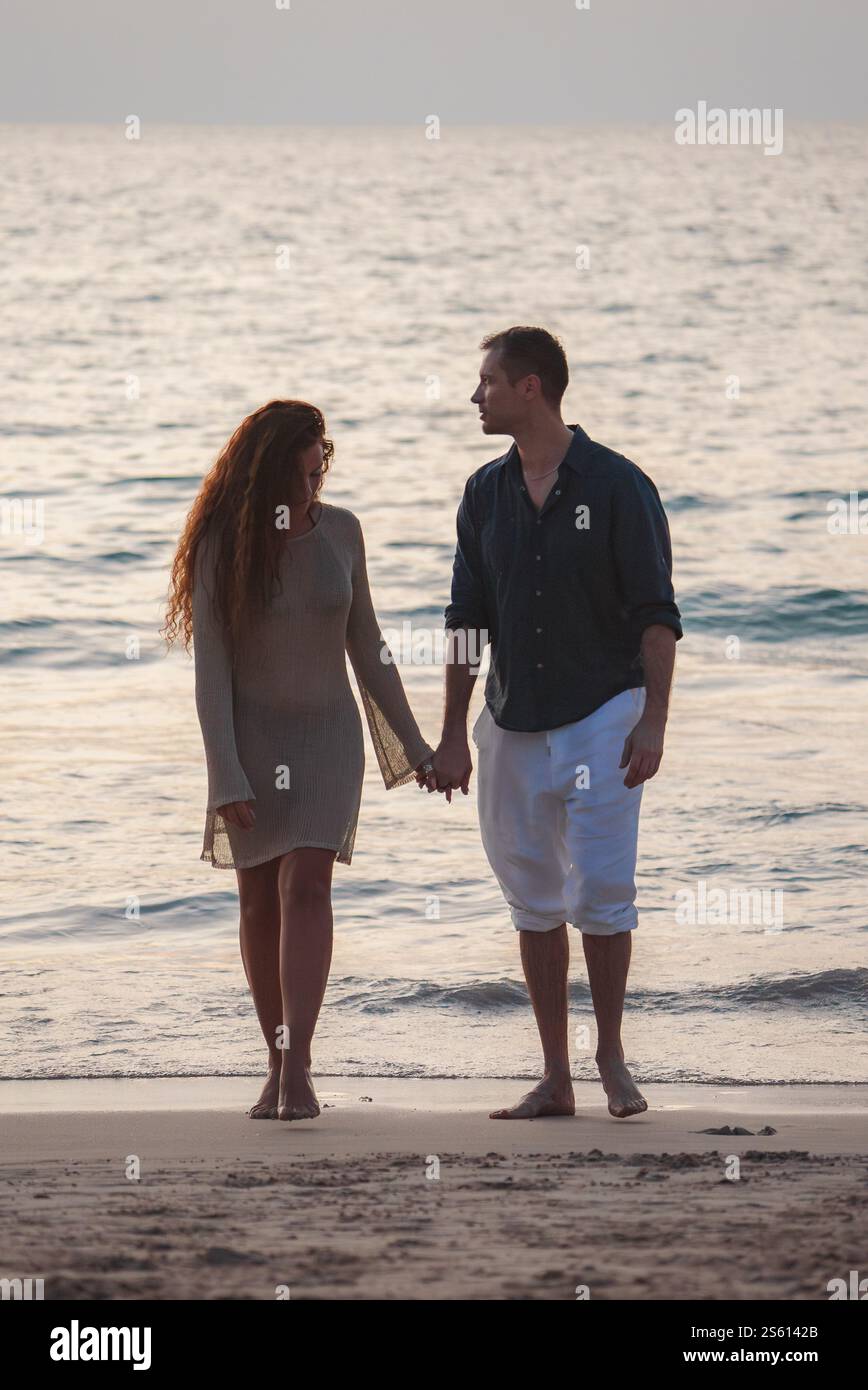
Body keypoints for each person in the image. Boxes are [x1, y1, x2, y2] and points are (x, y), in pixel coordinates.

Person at [432, 328, 682, 1120]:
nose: (476, 398)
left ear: (531, 387)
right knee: (532, 902)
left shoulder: (617, 486)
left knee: (603, 895)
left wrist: (654, 723)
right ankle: (554, 1076)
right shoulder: (484, 493)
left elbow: (656, 617)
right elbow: (467, 620)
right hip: (509, 721)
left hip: (604, 715)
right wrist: (449, 733)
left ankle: (610, 1057)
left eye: (488, 383)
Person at [164, 400, 435, 1121]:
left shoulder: (344, 532)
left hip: (327, 740)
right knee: (257, 901)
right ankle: (276, 1059)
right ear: (276, 461)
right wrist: (224, 771)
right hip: (251, 742)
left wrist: (415, 746)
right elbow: (211, 671)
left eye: (324, 457)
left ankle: (300, 1069)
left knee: (307, 887)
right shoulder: (227, 542)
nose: (320, 468)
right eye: (309, 455)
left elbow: (370, 650)